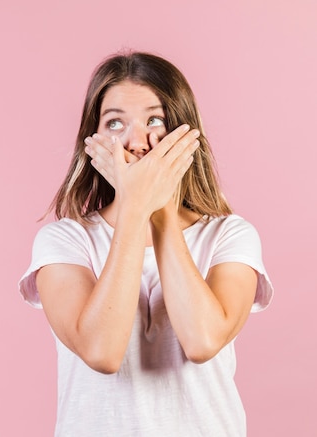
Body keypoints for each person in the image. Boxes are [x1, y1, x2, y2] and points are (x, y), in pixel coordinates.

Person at [18, 51, 273, 436]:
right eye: (115, 123)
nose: (137, 142)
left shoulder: (230, 236)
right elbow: (102, 352)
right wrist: (135, 211)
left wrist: (160, 211)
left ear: (186, 134)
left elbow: (202, 341)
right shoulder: (64, 242)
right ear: (94, 140)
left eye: (155, 120)